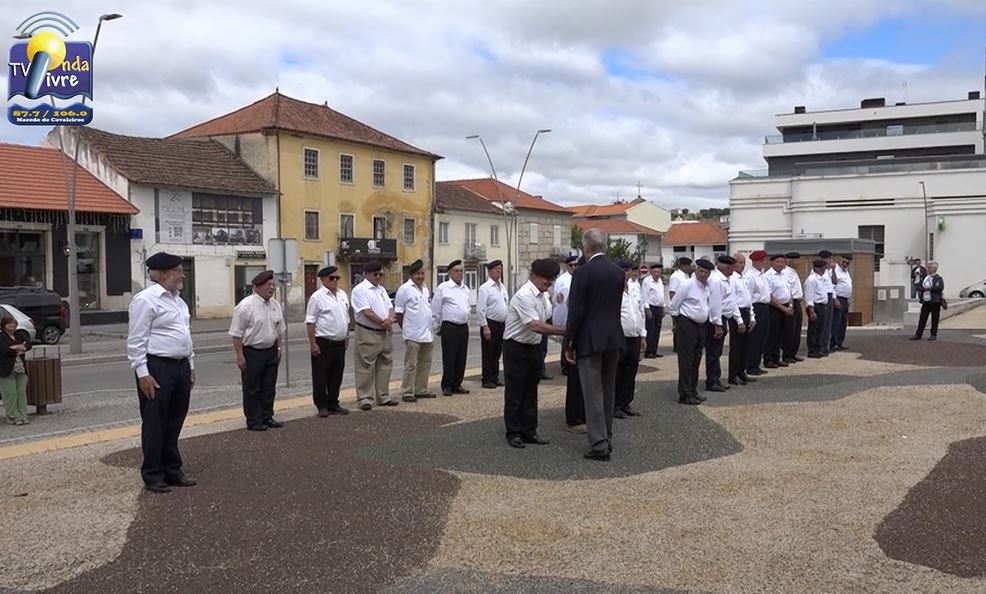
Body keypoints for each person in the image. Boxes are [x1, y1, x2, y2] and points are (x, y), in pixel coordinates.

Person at [126, 252, 196, 494]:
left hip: (180, 366)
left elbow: (186, 334)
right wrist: (143, 373)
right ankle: (153, 473)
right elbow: (136, 340)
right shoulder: (146, 300)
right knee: (155, 421)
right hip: (157, 366)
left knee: (175, 419)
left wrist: (191, 365)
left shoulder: (179, 300)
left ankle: (172, 468)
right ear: (165, 273)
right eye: (179, 270)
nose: (182, 274)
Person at [564, 229, 625, 462]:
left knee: (592, 392)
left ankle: (598, 443)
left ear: (586, 247)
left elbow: (576, 311)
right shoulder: (617, 272)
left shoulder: (583, 273)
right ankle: (606, 435)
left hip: (590, 338)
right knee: (608, 389)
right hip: (613, 336)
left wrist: (569, 342)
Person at [503, 259, 567, 448]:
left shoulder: (543, 296)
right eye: (547, 279)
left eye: (552, 279)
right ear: (535, 276)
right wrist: (565, 330)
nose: (550, 283)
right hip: (516, 347)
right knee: (515, 392)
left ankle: (529, 430)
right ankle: (513, 432)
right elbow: (535, 325)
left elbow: (547, 317)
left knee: (531, 390)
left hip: (533, 347)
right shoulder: (524, 295)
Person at [229, 270, 285, 431]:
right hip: (252, 352)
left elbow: (279, 330)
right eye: (268, 285)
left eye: (273, 284)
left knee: (269, 387)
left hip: (271, 351)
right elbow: (236, 334)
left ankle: (267, 416)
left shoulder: (275, 305)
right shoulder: (245, 306)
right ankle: (254, 420)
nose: (272, 288)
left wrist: (279, 348)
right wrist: (240, 356)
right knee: (252, 388)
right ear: (257, 287)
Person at [670, 258, 719, 405]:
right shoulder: (687, 285)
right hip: (687, 324)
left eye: (706, 272)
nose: (703, 274)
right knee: (686, 360)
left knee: (696, 359)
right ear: (696, 270)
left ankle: (692, 389)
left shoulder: (706, 287)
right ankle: (684, 393)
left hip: (701, 326)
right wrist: (678, 323)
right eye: (701, 271)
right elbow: (674, 306)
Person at [351, 260, 397, 411]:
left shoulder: (381, 290)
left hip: (384, 332)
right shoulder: (360, 290)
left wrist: (389, 319)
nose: (378, 277)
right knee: (365, 366)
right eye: (375, 274)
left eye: (380, 274)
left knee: (385, 365)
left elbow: (391, 307)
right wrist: (383, 322)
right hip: (368, 331)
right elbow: (367, 311)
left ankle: (383, 396)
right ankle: (365, 398)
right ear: (366, 274)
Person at [305, 265, 351, 417]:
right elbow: (311, 321)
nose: (335, 281)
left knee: (336, 375)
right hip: (323, 342)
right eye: (332, 278)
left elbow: (346, 317)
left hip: (339, 343)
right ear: (323, 279)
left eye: (337, 278)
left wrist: (346, 336)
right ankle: (322, 405)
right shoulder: (317, 297)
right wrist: (313, 343)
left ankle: (333, 402)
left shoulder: (342, 294)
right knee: (321, 376)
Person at [395, 260, 436, 402]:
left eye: (422, 273)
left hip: (427, 333)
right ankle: (407, 391)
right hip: (413, 333)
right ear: (411, 274)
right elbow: (399, 313)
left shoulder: (425, 289)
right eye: (417, 273)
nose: (420, 276)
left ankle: (421, 389)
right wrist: (406, 328)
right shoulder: (405, 289)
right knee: (411, 364)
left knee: (425, 363)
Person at [432, 259, 471, 396]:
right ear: (450, 272)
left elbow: (466, 307)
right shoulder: (444, 288)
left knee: (461, 356)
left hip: (463, 327)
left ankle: (457, 383)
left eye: (461, 271)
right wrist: (437, 327)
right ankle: (447, 384)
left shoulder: (465, 289)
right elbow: (436, 309)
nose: (459, 273)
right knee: (450, 356)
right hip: (450, 326)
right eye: (456, 271)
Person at [614, 260, 646, 418]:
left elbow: (640, 310)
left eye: (628, 271)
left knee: (631, 370)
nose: (627, 274)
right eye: (624, 271)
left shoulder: (635, 287)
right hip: (620, 336)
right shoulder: (613, 289)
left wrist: (643, 334)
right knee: (617, 372)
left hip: (634, 335)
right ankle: (615, 405)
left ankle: (626, 402)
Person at [706, 255, 739, 392]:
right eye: (733, 267)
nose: (734, 270)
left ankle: (716, 378)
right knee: (713, 352)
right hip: (716, 320)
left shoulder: (726, 280)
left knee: (717, 352)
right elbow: (715, 304)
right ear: (726, 267)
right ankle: (712, 381)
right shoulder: (716, 281)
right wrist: (717, 324)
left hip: (722, 318)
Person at [563, 256, 588, 434]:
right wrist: (569, 343)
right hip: (577, 337)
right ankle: (574, 418)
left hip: (584, 336)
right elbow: (574, 313)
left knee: (585, 380)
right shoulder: (577, 285)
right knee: (576, 381)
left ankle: (582, 415)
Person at [477, 259, 509, 388]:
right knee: (488, 353)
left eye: (500, 269)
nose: (498, 271)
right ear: (489, 271)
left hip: (501, 324)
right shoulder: (485, 288)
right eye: (496, 269)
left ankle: (494, 376)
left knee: (497, 353)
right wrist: (485, 326)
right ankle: (487, 379)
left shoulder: (502, 287)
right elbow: (480, 309)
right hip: (490, 324)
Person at [728, 253, 756, 385]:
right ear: (733, 263)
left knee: (746, 345)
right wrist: (739, 321)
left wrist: (752, 316)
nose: (742, 265)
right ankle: (733, 374)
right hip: (736, 314)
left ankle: (741, 371)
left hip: (746, 311)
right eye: (739, 262)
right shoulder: (732, 279)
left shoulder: (744, 278)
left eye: (744, 262)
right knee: (736, 346)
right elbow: (732, 301)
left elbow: (748, 299)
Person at [764, 254, 794, 369]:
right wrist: (783, 308)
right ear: (772, 263)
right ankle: (768, 358)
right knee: (772, 334)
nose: (780, 264)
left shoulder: (784, 275)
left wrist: (790, 306)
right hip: (775, 308)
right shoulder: (768, 276)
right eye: (778, 262)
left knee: (781, 335)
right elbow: (770, 296)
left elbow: (789, 291)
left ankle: (777, 357)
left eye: (782, 262)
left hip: (786, 307)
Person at [744, 250, 771, 376]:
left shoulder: (762, 275)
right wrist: (752, 315)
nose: (764, 263)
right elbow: (748, 297)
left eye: (765, 260)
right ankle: (751, 365)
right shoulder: (750, 276)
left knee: (762, 337)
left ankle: (756, 363)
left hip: (765, 307)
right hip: (756, 308)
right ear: (755, 261)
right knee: (755, 338)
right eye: (762, 260)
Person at [0, 313, 30, 425]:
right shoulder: (1, 337)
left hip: (21, 369)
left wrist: (14, 347)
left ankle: (23, 415)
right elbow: (4, 351)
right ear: (4, 325)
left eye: (14, 323)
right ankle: (13, 417)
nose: (12, 325)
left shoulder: (19, 335)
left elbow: (28, 345)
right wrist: (19, 347)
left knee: (21, 393)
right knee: (10, 394)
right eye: (9, 323)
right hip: (7, 370)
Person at [552, 256, 578, 375]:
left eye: (575, 265)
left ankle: (573, 362)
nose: (573, 267)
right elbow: (556, 297)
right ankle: (565, 366)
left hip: (574, 313)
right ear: (566, 266)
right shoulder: (561, 280)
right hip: (564, 313)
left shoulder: (578, 277)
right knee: (565, 340)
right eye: (571, 265)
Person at [803, 259, 830, 358]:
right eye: (824, 268)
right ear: (818, 268)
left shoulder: (820, 279)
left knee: (820, 329)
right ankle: (812, 350)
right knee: (813, 329)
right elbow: (809, 296)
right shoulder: (812, 280)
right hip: (815, 306)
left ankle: (818, 348)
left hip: (822, 305)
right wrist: (811, 310)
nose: (825, 270)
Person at [781, 252, 804, 363]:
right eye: (797, 260)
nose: (799, 263)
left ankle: (793, 352)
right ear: (791, 261)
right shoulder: (786, 273)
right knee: (790, 330)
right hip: (791, 302)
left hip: (797, 302)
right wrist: (790, 305)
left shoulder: (794, 272)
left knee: (797, 329)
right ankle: (787, 354)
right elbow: (788, 290)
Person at [911, 261, 944, 341]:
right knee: (922, 318)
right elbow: (918, 286)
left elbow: (939, 287)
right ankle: (918, 334)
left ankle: (933, 334)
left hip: (935, 301)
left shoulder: (938, 278)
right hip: (926, 301)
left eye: (929, 267)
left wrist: (929, 288)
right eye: (928, 267)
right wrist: (923, 288)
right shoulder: (926, 277)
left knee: (934, 318)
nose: (928, 269)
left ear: (934, 269)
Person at [668, 257, 693, 354]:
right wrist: (675, 308)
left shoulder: (686, 276)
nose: (689, 268)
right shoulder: (676, 276)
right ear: (683, 266)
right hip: (678, 307)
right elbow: (672, 293)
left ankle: (682, 345)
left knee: (684, 329)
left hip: (685, 307)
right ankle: (677, 347)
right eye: (688, 266)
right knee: (678, 328)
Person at [642, 262, 666, 358]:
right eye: (655, 272)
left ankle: (654, 350)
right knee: (650, 330)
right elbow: (644, 296)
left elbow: (662, 295)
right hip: (651, 308)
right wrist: (647, 309)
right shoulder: (647, 281)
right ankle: (648, 351)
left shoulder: (660, 281)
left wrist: (663, 307)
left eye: (659, 272)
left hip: (659, 308)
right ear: (651, 272)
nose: (657, 274)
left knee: (657, 330)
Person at [831, 255, 853, 351]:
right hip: (838, 299)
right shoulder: (835, 270)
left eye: (847, 263)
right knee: (836, 322)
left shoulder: (846, 272)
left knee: (843, 323)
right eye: (843, 262)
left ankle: (840, 342)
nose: (845, 264)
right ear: (839, 261)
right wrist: (835, 299)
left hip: (845, 300)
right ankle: (833, 343)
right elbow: (831, 286)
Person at [817, 250, 837, 356]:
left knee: (828, 324)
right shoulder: (819, 271)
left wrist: (833, 270)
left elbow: (834, 282)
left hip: (829, 297)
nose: (830, 261)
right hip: (822, 298)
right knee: (823, 325)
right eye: (828, 259)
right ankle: (820, 347)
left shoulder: (828, 271)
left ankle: (825, 345)